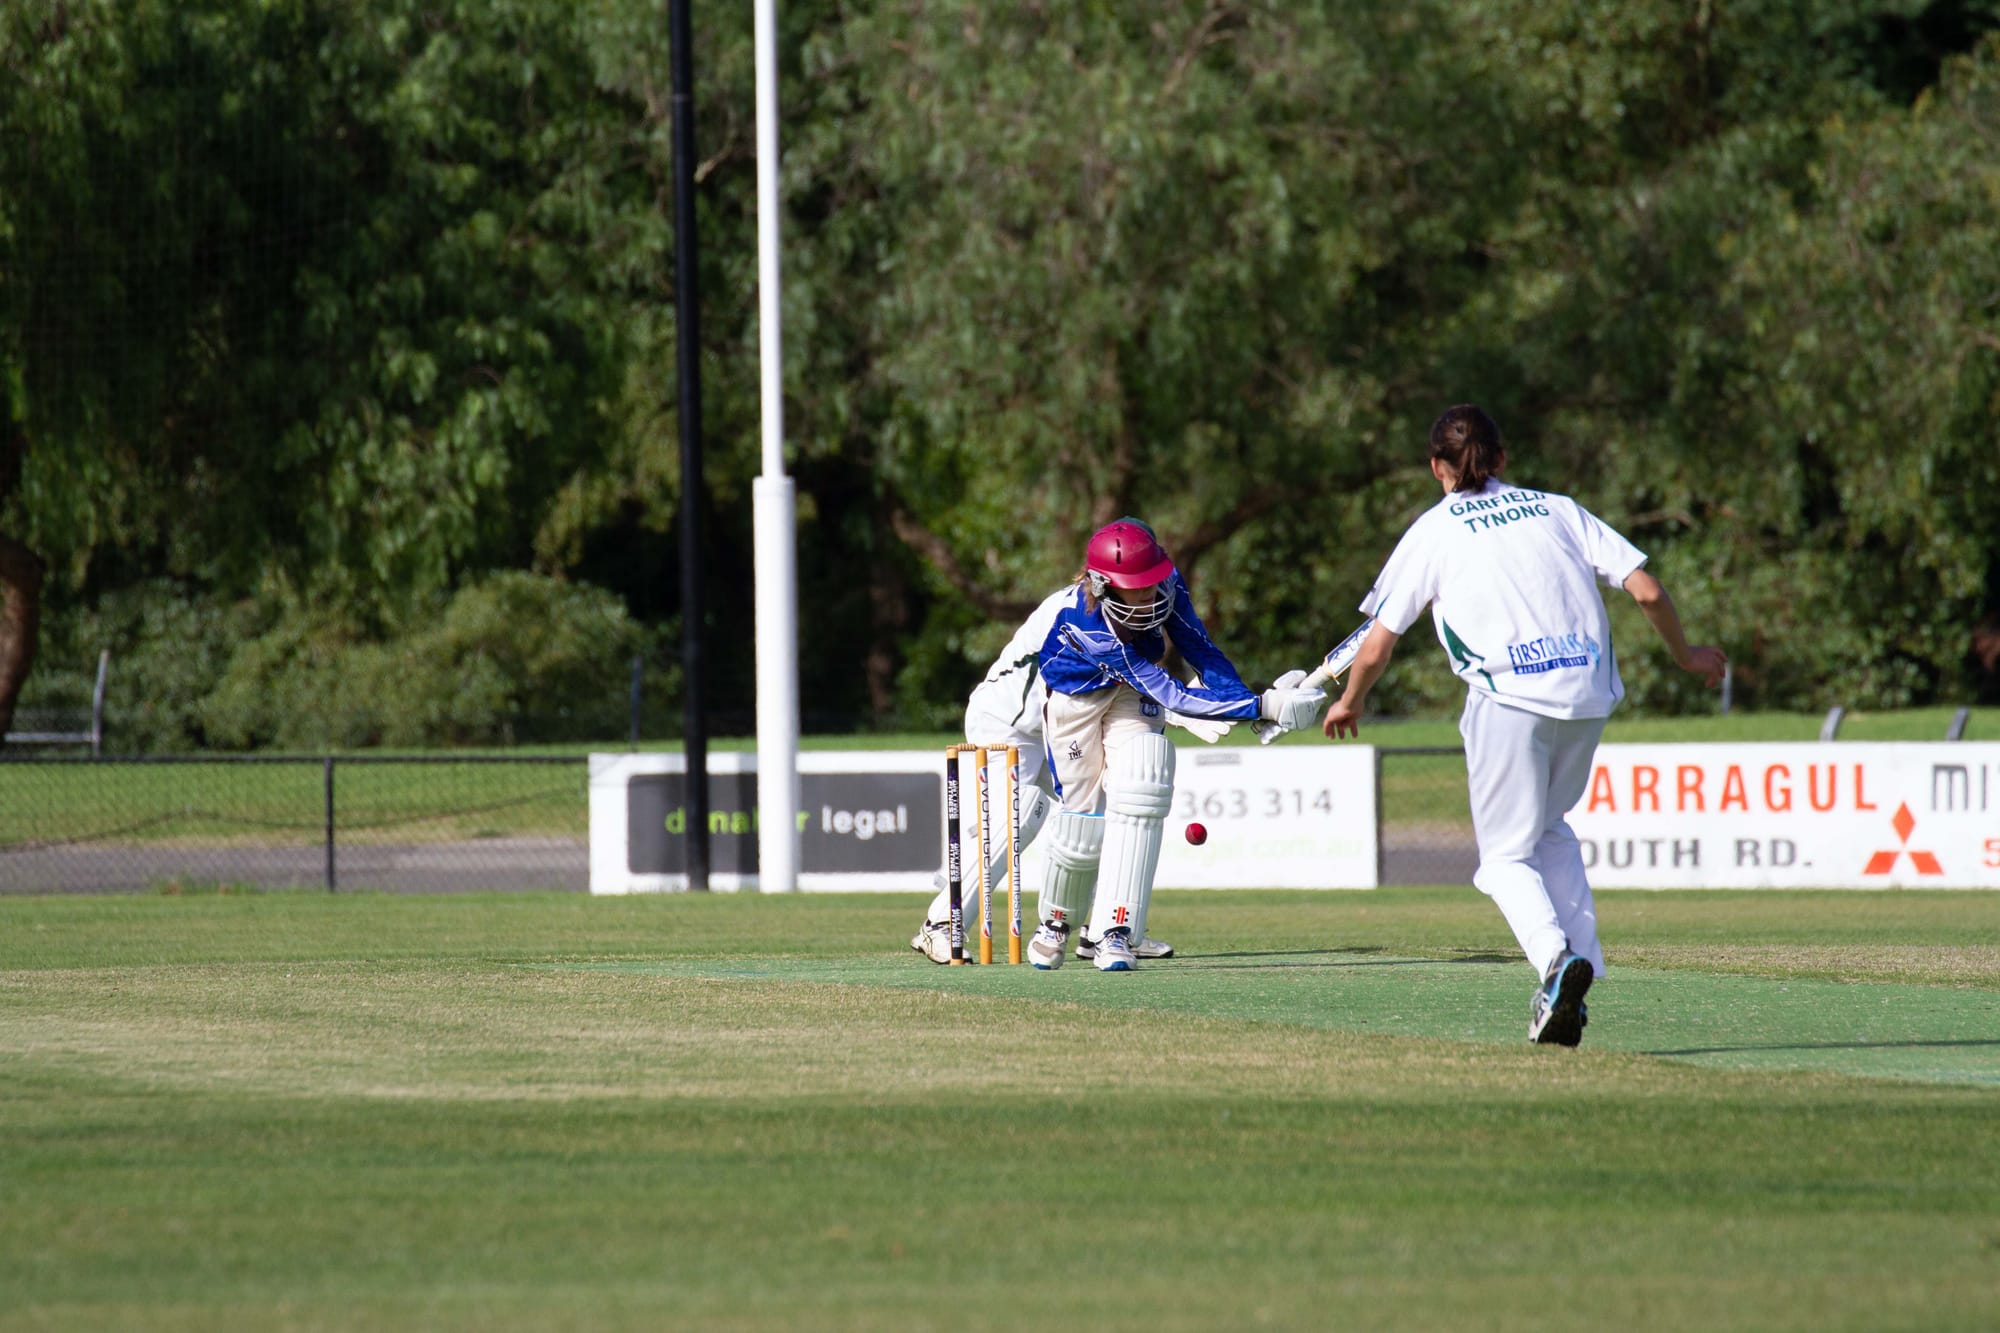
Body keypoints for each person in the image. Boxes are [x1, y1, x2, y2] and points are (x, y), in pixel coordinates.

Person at [1319, 405, 1726, 1045]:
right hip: (1588, 693)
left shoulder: (1434, 530)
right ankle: (1580, 964)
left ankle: (1556, 962)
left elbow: (1377, 645)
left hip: (1507, 695)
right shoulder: (1558, 509)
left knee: (1504, 857)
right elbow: (1645, 590)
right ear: (1502, 459)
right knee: (1548, 829)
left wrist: (1351, 701)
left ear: (1436, 468)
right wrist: (1687, 655)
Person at [909, 523, 1234, 966]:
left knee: (1111, 804)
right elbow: (1074, 686)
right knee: (1022, 812)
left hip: (1066, 720)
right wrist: (1180, 705)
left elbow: (1150, 666)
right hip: (1009, 722)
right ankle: (940, 925)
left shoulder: (1138, 597)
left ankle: (1103, 930)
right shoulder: (1076, 614)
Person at [1027, 520, 1325, 972]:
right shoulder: (1088, 626)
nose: (1150, 595)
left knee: (1144, 776)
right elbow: (1171, 695)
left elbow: (1200, 649)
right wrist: (1261, 706)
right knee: (1083, 819)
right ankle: (1055, 924)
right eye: (1136, 588)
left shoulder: (1163, 580)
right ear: (1104, 587)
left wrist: (1246, 702)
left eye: (1152, 582)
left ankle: (1116, 931)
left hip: (1129, 693)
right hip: (1075, 702)